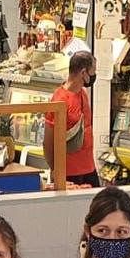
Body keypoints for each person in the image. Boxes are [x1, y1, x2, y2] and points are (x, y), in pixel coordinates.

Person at [44, 51, 99, 188]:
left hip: (89, 168)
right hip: (69, 172)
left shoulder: (83, 94)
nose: (94, 76)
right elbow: (48, 142)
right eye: (93, 72)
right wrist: (55, 170)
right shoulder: (60, 100)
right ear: (83, 73)